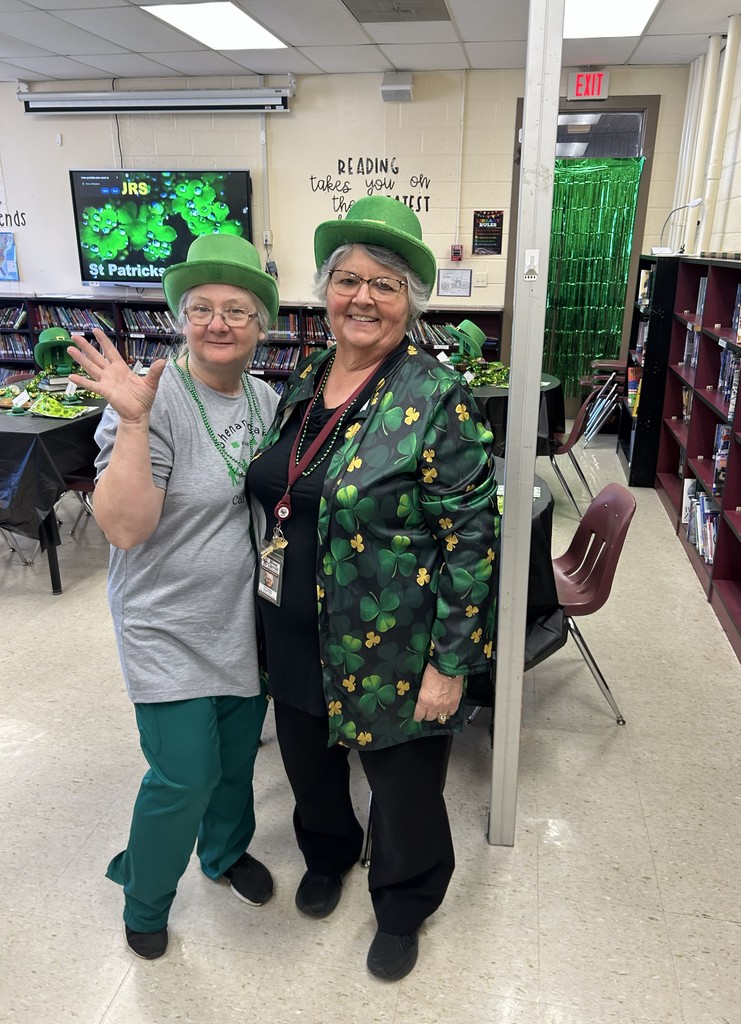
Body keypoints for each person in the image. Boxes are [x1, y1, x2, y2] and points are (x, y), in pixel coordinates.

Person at [246, 196, 499, 981]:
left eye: (386, 285)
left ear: (410, 302)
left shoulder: (435, 396)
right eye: (349, 279)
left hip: (394, 638)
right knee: (308, 763)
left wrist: (450, 665)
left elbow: (473, 539)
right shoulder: (305, 374)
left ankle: (405, 900)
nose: (364, 297)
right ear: (325, 292)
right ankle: (326, 852)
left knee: (406, 786)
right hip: (290, 625)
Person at [67, 234, 281, 961]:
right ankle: (146, 897)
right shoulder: (152, 401)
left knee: (232, 763)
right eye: (201, 308)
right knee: (183, 775)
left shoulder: (266, 397)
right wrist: (129, 421)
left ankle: (223, 855)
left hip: (242, 620)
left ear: (261, 326)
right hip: (165, 622)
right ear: (180, 318)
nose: (219, 323)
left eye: (237, 310)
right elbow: (124, 529)